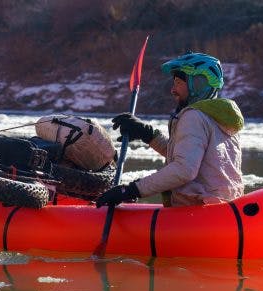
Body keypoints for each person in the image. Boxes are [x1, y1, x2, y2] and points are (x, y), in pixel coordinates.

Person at [96, 52, 244, 207]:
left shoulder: (194, 116)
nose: (173, 90)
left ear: (198, 83)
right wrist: (148, 134)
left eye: (178, 83)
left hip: (198, 212)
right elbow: (193, 156)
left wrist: (131, 190)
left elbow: (184, 169)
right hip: (223, 208)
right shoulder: (220, 116)